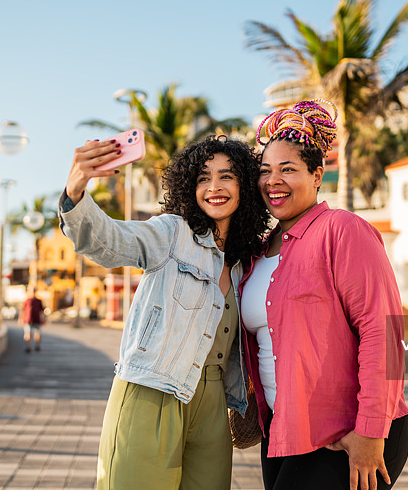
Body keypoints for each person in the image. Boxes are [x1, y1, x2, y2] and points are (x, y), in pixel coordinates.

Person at [59, 135, 269, 490]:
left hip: (214, 405)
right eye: (203, 177)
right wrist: (76, 191)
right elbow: (109, 240)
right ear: (189, 186)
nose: (214, 187)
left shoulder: (245, 262)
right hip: (152, 391)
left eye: (227, 176)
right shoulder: (171, 233)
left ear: (245, 186)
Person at [239, 101, 408, 490]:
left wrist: (370, 432)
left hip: (349, 433)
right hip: (283, 428)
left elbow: (382, 331)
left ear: (317, 175)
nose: (273, 181)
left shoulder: (342, 230)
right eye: (265, 171)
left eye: (288, 169)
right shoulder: (258, 253)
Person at [21, 286, 44, 353]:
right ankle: (28, 347)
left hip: (37, 319)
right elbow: (23, 310)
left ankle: (37, 346)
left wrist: (43, 319)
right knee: (28, 334)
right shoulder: (27, 301)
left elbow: (41, 311)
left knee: (37, 334)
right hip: (28, 320)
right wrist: (21, 319)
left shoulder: (39, 301)